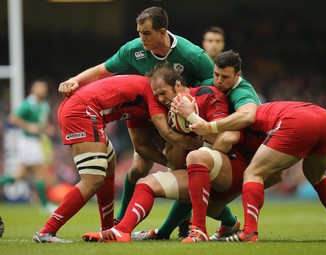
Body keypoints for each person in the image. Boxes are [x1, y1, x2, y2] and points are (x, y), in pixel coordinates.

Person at [58, 7, 214, 233]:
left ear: (162, 31)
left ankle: (186, 222)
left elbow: (212, 88)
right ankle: (122, 221)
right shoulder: (133, 49)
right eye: (139, 32)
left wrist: (190, 107)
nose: (141, 38)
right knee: (139, 165)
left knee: (184, 164)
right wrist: (75, 80)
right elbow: (103, 70)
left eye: (147, 33)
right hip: (147, 108)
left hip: (180, 115)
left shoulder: (192, 55)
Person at [81, 65, 246, 243]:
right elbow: (175, 163)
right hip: (202, 179)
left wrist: (190, 116)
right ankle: (121, 231)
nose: (159, 99)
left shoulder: (208, 94)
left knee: (196, 158)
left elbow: (224, 138)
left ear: (177, 84)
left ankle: (198, 230)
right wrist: (173, 135)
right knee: (146, 183)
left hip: (230, 169)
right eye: (156, 95)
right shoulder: (169, 113)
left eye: (162, 92)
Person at [32, 75, 201, 243]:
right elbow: (166, 133)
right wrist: (203, 144)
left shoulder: (143, 96)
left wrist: (170, 162)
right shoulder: (154, 95)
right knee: (93, 180)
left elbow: (142, 147)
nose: (161, 98)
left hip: (84, 110)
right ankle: (46, 231)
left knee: (109, 165)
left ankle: (107, 230)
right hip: (83, 110)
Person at [130, 50, 271, 241]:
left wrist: (197, 122)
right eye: (215, 75)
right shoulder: (209, 91)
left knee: (198, 162)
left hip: (252, 158)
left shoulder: (240, 91)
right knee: (201, 189)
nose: (218, 81)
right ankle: (228, 225)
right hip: (236, 159)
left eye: (224, 77)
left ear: (238, 76)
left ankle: (213, 230)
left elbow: (243, 121)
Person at [217, 101, 326, 242]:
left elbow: (230, 138)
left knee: (253, 173)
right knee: (317, 177)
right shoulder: (265, 108)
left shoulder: (243, 118)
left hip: (298, 121)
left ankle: (249, 232)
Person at [0, 80, 57, 214]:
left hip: (36, 141)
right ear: (33, 90)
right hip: (27, 142)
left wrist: (46, 129)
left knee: (20, 175)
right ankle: (44, 204)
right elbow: (12, 118)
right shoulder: (28, 104)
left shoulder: (43, 104)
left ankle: (45, 204)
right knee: (39, 172)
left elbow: (39, 123)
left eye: (43, 88)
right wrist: (28, 126)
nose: (41, 91)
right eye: (38, 88)